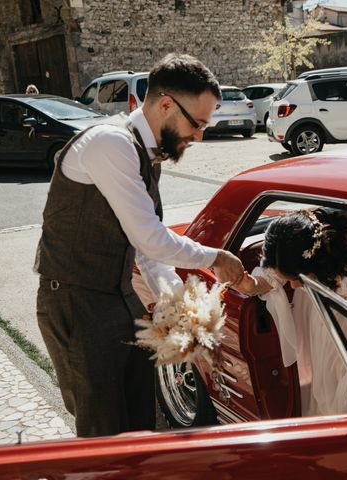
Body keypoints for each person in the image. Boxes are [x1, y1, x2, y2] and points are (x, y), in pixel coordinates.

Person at [34, 53, 244, 437]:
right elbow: (151, 237)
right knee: (103, 432)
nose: (199, 135)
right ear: (165, 104)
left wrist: (182, 309)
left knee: (141, 423)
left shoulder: (149, 153)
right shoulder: (110, 143)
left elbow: (146, 250)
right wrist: (215, 258)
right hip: (75, 300)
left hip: (117, 297)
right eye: (197, 122)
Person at [234, 209, 347, 416]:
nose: (294, 286)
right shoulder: (290, 240)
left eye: (296, 278)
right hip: (324, 289)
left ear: (314, 263)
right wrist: (250, 284)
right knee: (329, 365)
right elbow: (275, 274)